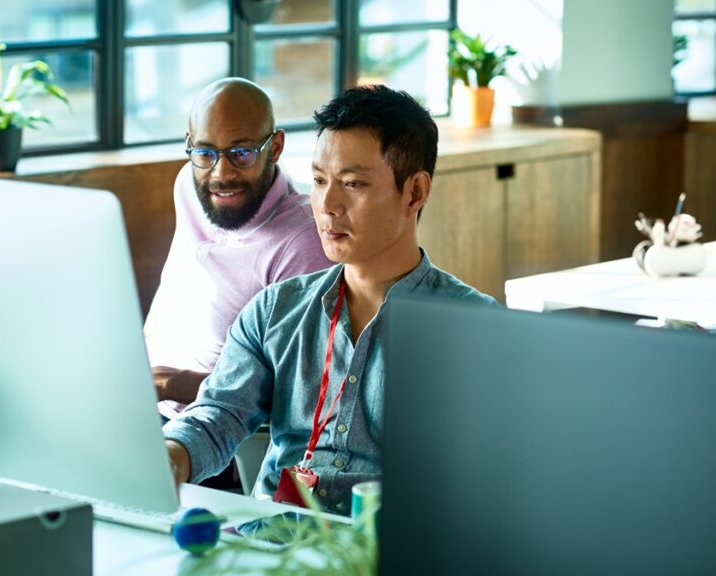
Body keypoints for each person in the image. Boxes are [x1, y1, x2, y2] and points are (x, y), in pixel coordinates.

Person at [163, 85, 498, 515]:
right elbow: (219, 415)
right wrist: (171, 454)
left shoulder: (475, 328)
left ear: (414, 193)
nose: (327, 205)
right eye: (319, 180)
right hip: (274, 545)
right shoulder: (274, 311)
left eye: (353, 183)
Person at [144, 78, 332, 409]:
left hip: (209, 434)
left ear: (274, 147)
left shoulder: (303, 241)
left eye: (241, 153)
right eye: (204, 153)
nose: (221, 174)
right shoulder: (189, 186)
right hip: (144, 404)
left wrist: (171, 385)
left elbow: (299, 389)